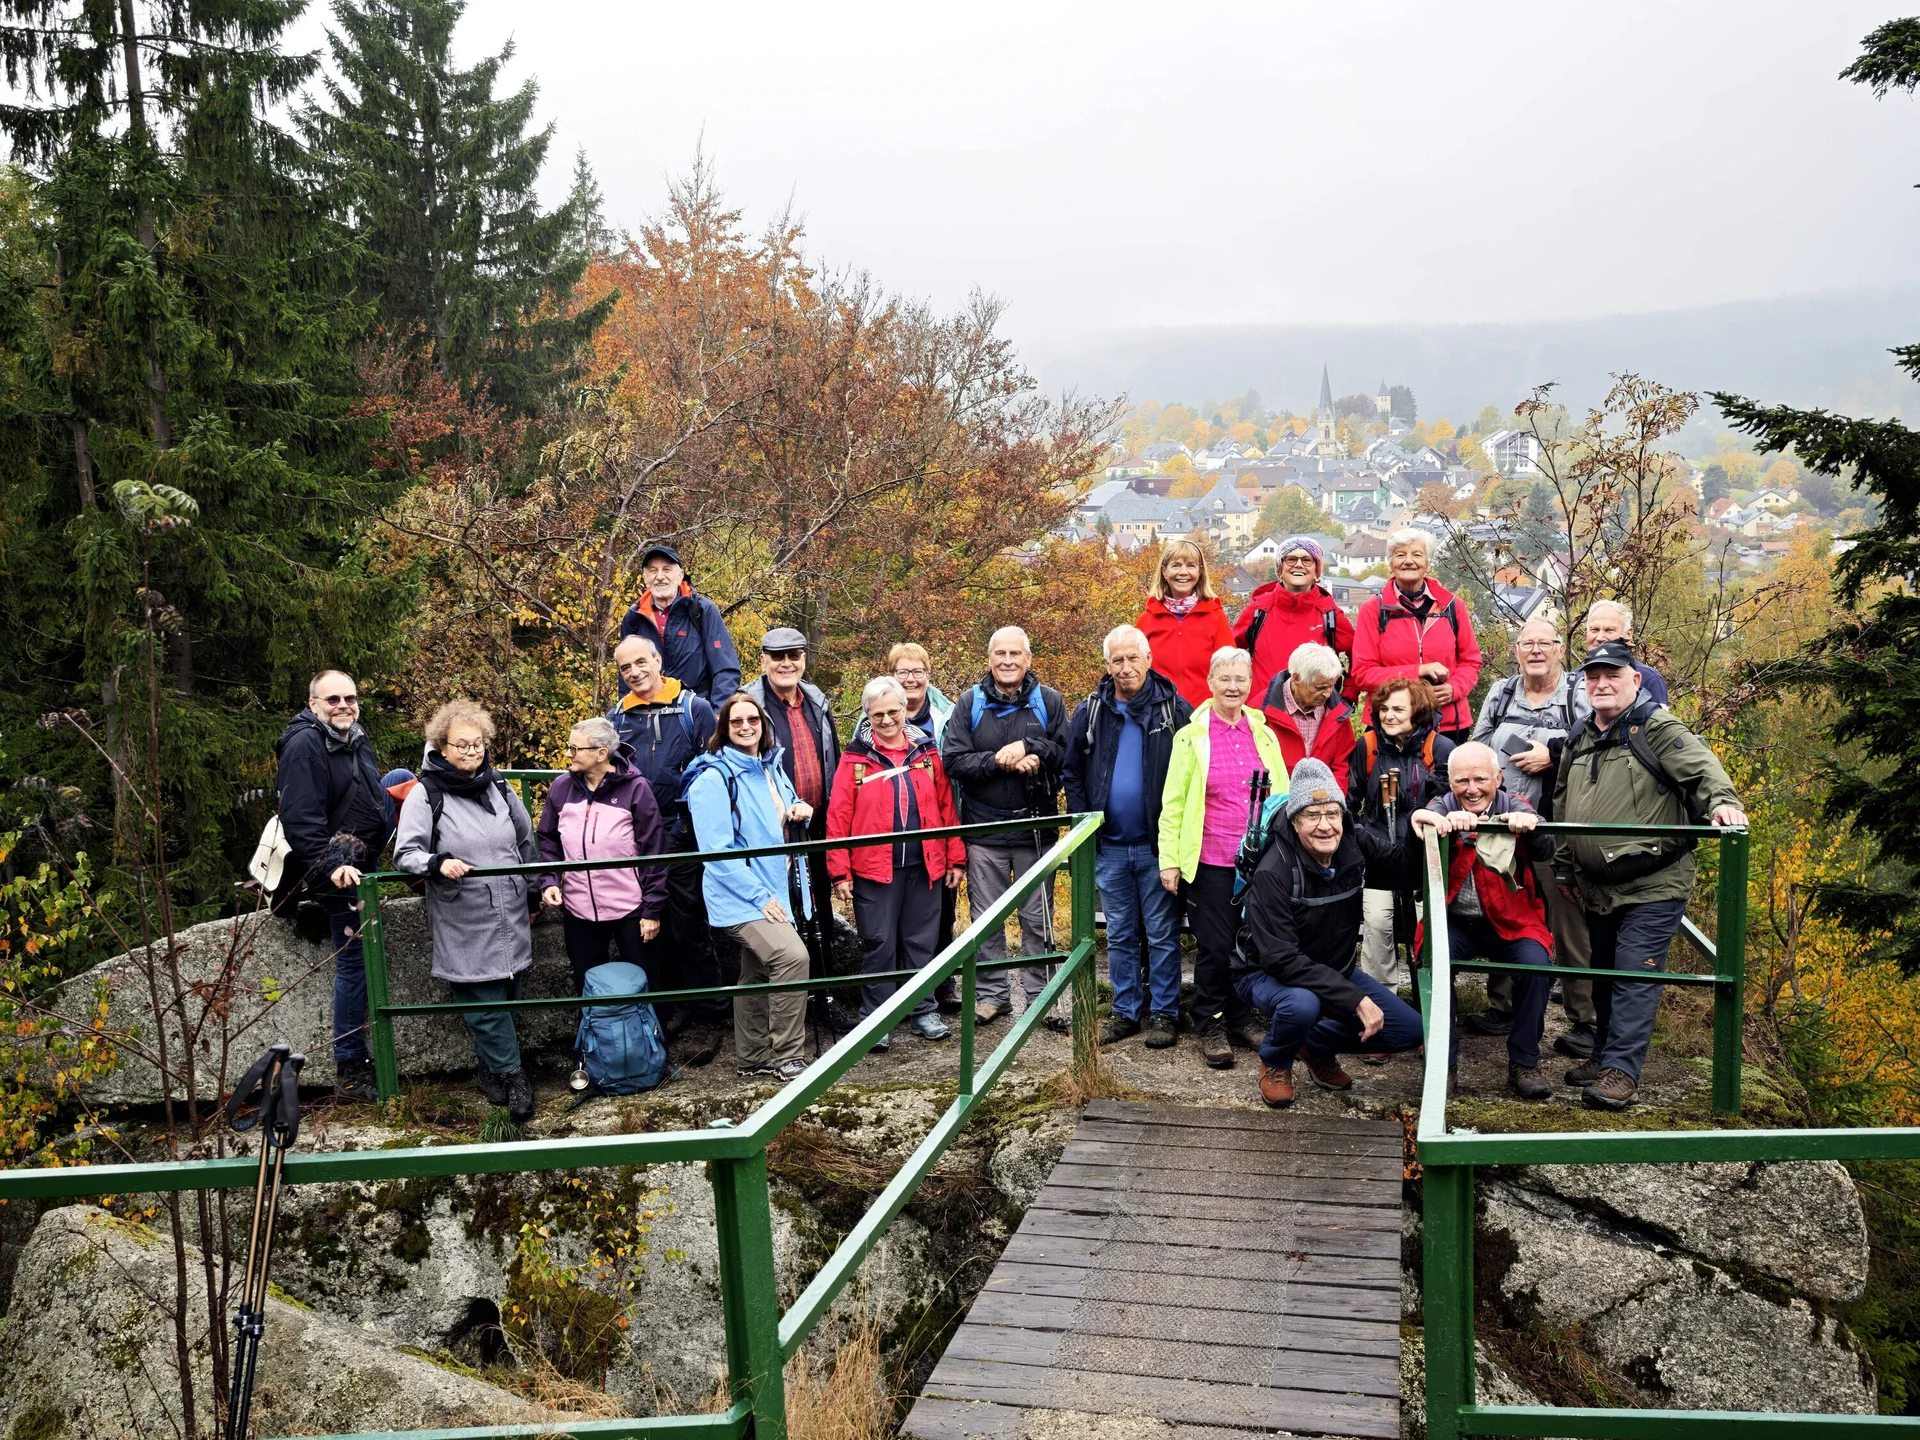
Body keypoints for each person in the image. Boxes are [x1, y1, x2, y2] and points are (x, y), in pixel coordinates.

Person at [1553, 640, 1746, 1111]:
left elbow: (1702, 770)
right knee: (1601, 973)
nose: (1601, 684)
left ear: (1634, 680)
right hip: (1596, 885)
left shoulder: (1655, 726)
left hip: (1654, 881)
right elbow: (1561, 801)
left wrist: (1723, 803)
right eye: (1593, 676)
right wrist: (1564, 866)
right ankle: (1602, 1056)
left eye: (1612, 675)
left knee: (1634, 975)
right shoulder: (1580, 734)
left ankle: (1622, 1073)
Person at [1232, 758, 1425, 1108]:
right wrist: (1353, 998)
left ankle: (1312, 1045)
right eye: (1312, 815)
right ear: (1294, 820)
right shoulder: (1273, 871)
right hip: (1264, 971)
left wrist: (1415, 824)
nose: (1325, 826)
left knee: (1409, 1030)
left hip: (1334, 968)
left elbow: (1405, 872)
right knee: (1303, 1003)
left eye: (1332, 813)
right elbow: (1282, 959)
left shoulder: (1353, 843)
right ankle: (1276, 1059)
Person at [393, 701, 540, 1122]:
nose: (473, 752)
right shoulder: (426, 793)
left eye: (478, 744)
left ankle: (488, 1071)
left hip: (509, 910)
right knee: (482, 999)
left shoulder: (500, 787)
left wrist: (533, 890)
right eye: (462, 745)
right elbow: (406, 854)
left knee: (509, 994)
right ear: (441, 747)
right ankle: (514, 1078)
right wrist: (438, 862)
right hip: (464, 914)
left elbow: (525, 844)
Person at [274, 669, 406, 1104]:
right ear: (313, 705)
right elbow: (299, 817)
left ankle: (421, 865)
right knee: (354, 961)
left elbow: (368, 790)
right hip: (334, 862)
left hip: (363, 842)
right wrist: (331, 866)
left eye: (350, 698)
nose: (344, 705)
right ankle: (351, 1066)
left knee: (406, 778)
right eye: (333, 700)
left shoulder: (353, 735)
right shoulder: (304, 744)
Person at [1467, 618, 1596, 1055]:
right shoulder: (1501, 693)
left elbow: (1595, 747)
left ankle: (1584, 1021)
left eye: (1545, 643)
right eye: (1528, 644)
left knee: (1567, 920)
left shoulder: (1580, 692)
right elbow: (1477, 749)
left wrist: (1552, 754)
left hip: (1557, 829)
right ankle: (1501, 1007)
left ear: (1561, 649)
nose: (1536, 650)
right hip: (1504, 824)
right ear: (1517, 651)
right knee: (1506, 905)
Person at [1063, 626, 1193, 1051]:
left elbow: (1193, 775)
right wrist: (1085, 826)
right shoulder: (1091, 710)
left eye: (1133, 658)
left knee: (1161, 932)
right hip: (1111, 846)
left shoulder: (1175, 709)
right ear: (1107, 665)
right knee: (1118, 933)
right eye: (1117, 660)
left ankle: (1165, 1013)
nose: (1125, 667)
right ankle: (1125, 1012)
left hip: (1160, 847)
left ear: (1148, 659)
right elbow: (1072, 773)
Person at [1158, 645, 1287, 1068]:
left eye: (1241, 679)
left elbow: (1282, 799)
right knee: (1215, 946)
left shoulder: (1263, 733)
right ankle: (1208, 1020)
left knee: (1249, 945)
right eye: (1225, 679)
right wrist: (1170, 859)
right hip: (1210, 858)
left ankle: (1239, 1016)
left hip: (1259, 861)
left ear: (1251, 685)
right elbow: (1173, 803)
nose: (1233, 686)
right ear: (1210, 683)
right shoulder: (1191, 736)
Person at [1409, 742, 1558, 1100]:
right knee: (1431, 961)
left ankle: (1524, 1062)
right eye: (1462, 780)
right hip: (1457, 921)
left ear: (1498, 778)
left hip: (1511, 920)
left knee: (1535, 965)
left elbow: (1547, 847)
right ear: (1450, 781)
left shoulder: (1514, 805)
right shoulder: (1442, 807)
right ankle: (1443, 1063)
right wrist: (1429, 822)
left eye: (1480, 779)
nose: (1471, 789)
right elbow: (1417, 830)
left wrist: (1530, 827)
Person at [683, 691, 817, 1083]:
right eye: (736, 721)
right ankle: (789, 1056)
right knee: (791, 958)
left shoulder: (770, 767)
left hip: (773, 889)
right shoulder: (712, 779)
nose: (746, 727)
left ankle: (754, 1055)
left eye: (752, 720)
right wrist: (760, 897)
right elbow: (716, 853)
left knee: (757, 971)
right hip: (742, 896)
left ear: (763, 724)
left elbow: (785, 805)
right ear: (723, 729)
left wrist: (799, 808)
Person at [826, 677, 965, 1047]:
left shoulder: (927, 753)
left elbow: (946, 809)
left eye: (893, 711)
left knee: (921, 941)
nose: (887, 720)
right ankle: (877, 1017)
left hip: (925, 866)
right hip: (873, 870)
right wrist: (839, 870)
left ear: (906, 710)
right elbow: (838, 816)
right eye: (878, 714)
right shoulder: (855, 760)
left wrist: (956, 857)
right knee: (879, 943)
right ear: (867, 716)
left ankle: (923, 1009)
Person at [606, 630, 725, 1062]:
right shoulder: (617, 717)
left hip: (681, 833)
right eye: (625, 667)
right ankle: (673, 1007)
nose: (635, 672)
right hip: (632, 840)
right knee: (648, 929)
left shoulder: (694, 709)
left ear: (658, 660)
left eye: (641, 662)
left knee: (688, 924)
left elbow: (716, 765)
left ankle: (710, 1013)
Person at [941, 626, 1068, 1027]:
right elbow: (954, 760)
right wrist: (998, 760)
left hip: (1036, 828)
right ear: (990, 658)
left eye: (1015, 654)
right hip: (985, 833)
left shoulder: (1049, 701)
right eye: (1000, 654)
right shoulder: (969, 704)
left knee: (1038, 919)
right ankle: (993, 996)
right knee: (987, 921)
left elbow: (1065, 754)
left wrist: (1032, 749)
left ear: (1028, 659)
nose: (1008, 661)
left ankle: (1040, 996)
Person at [534, 717, 669, 1084]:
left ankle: (651, 1053)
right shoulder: (562, 788)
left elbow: (654, 850)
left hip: (630, 908)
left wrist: (652, 909)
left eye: (575, 748)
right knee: (586, 985)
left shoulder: (636, 789)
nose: (569, 754)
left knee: (645, 982)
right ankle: (594, 1055)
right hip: (578, 908)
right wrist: (549, 879)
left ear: (601, 753)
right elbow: (546, 839)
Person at [745, 627, 841, 981]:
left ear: (803, 659)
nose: (786, 663)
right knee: (776, 917)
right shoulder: (748, 706)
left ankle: (824, 996)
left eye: (794, 655)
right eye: (777, 656)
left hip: (816, 828)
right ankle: (785, 1003)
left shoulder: (816, 701)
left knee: (820, 914)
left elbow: (835, 761)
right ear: (763, 660)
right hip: (772, 833)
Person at [1348, 676, 1453, 991]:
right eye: (1383, 708)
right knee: (1378, 926)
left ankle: (1430, 1002)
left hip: (1423, 855)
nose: (1387, 715)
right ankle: (1383, 1006)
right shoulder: (1367, 746)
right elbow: (1351, 801)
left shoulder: (1440, 747)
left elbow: (1450, 800)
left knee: (1427, 929)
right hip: (1377, 853)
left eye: (1398, 709)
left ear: (1418, 711)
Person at [872, 643, 960, 1014]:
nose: (910, 680)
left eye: (917, 671)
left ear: (928, 673)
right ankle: (895, 993)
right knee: (891, 921)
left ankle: (942, 983)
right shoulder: (874, 715)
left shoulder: (949, 714)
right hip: (890, 838)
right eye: (902, 672)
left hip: (939, 824)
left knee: (941, 911)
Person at [1351, 529, 1483, 743]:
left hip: (1447, 724)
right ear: (1390, 564)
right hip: (1388, 724)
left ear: (1428, 563)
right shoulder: (1374, 610)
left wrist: (1453, 688)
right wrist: (1418, 671)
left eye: (1417, 555)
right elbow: (1363, 674)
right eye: (1400, 555)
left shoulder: (1452, 607)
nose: (1409, 561)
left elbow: (1471, 662)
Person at [1232, 536, 1355, 709]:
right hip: (1261, 712)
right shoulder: (1259, 610)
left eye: (1307, 560)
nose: (1298, 564)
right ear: (1280, 569)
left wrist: (1348, 695)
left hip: (1313, 714)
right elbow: (1230, 651)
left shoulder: (1329, 614)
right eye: (1291, 559)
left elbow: (1358, 654)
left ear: (1317, 571)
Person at [617, 542, 742, 706]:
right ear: (646, 578)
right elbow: (625, 672)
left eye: (667, 569)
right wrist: (627, 713)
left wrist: (717, 714)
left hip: (695, 710)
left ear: (680, 575)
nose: (660, 576)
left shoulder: (702, 611)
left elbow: (725, 669)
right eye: (653, 571)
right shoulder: (634, 618)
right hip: (650, 712)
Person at [1134, 539, 1235, 709]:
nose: (1183, 572)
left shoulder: (1215, 616)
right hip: (1159, 716)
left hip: (1204, 716)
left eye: (1190, 565)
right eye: (1176, 565)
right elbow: (1135, 671)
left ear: (1200, 572)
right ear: (1164, 571)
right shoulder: (1147, 620)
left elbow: (1229, 670)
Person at [1261, 642, 1358, 791]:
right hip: (1275, 802)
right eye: (1320, 688)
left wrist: (1330, 801)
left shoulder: (1338, 713)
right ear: (1297, 678)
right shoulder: (1260, 711)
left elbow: (1342, 765)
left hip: (1324, 803)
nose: (1327, 694)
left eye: (1331, 686)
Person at [1577, 600, 1669, 706]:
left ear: (1628, 634)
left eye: (1609, 630)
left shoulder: (1649, 679)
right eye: (1594, 630)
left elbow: (1657, 720)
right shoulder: (1576, 678)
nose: (1600, 637)